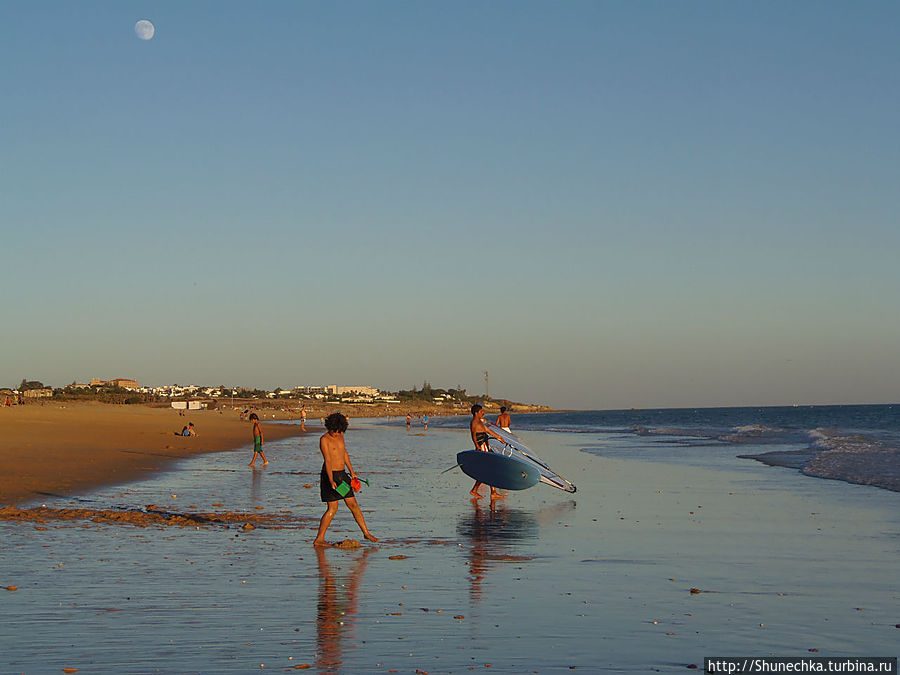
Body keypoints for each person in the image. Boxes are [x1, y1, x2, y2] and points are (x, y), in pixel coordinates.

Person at [313, 412, 378, 547]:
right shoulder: (324, 440)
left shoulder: (341, 435)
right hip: (330, 476)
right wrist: (331, 480)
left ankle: (366, 533)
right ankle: (319, 539)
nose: (336, 434)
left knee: (353, 504)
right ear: (329, 427)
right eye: (334, 431)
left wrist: (352, 472)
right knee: (332, 508)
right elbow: (328, 460)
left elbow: (344, 453)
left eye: (338, 431)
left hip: (342, 475)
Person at [469, 403, 507, 499]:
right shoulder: (474, 422)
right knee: (489, 470)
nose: (483, 413)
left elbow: (488, 431)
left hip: (486, 447)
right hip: (482, 448)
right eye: (481, 411)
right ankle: (489, 492)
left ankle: (481, 490)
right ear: (476, 413)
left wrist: (499, 437)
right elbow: (474, 435)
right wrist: (477, 446)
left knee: (487, 470)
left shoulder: (480, 422)